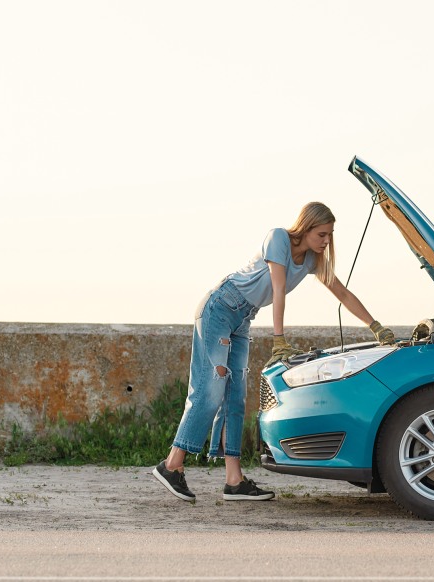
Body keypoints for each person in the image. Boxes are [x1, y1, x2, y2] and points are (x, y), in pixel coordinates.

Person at [152, 202, 395, 502]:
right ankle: (172, 465)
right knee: (211, 391)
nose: (326, 241)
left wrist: (375, 326)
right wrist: (279, 339)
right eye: (322, 234)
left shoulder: (312, 260)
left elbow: (342, 293)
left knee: (235, 399)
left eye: (330, 235)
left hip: (243, 317)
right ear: (305, 228)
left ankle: (234, 480)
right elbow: (278, 289)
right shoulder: (278, 238)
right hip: (220, 308)